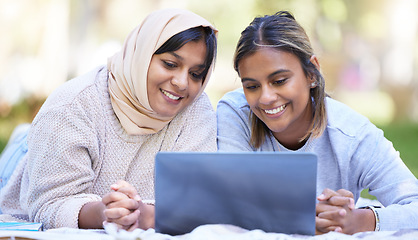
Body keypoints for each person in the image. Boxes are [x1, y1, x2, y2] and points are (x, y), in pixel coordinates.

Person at [0, 8, 218, 231]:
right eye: (170, 64)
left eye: (196, 74)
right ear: (141, 54)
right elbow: (49, 204)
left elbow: (199, 200)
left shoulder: (196, 109)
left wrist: (145, 215)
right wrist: (105, 212)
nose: (182, 83)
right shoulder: (72, 105)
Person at [217, 11, 418, 235]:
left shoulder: (352, 135)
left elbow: (414, 204)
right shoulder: (236, 112)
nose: (265, 98)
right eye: (252, 86)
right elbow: (228, 199)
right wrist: (295, 216)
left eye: (279, 81)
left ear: (312, 72)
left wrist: (359, 220)